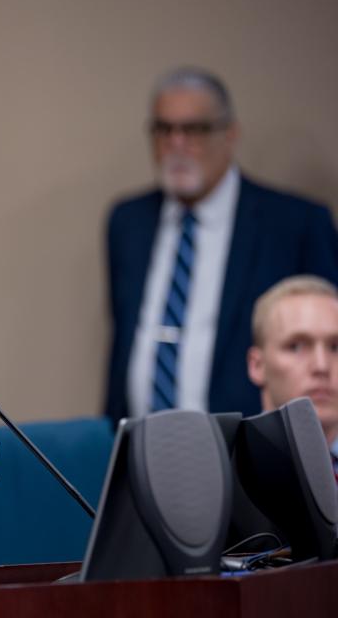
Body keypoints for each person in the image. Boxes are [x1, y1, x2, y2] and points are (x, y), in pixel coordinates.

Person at [104, 66, 338, 422]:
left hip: (249, 452)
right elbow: (124, 342)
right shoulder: (128, 221)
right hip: (139, 446)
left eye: (194, 129)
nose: (176, 143)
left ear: (230, 133)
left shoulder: (295, 224)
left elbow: (326, 335)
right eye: (164, 129)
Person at [247, 275, 338, 475]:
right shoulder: (221, 474)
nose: (321, 366)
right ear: (257, 365)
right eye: (296, 346)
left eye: (335, 347)